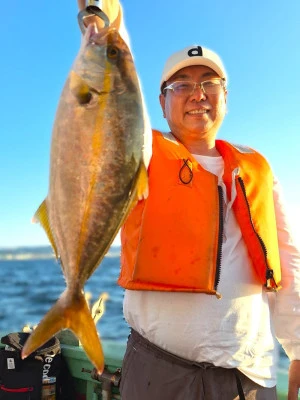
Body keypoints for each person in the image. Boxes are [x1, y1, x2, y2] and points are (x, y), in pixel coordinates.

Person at [77, 2, 300, 399]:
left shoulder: (258, 169)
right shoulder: (140, 151)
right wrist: (102, 16)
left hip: (248, 377)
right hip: (158, 372)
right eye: (181, 85)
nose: (197, 94)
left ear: (226, 97)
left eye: (208, 83)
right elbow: (113, 75)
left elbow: (287, 260)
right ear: (162, 103)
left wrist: (298, 346)